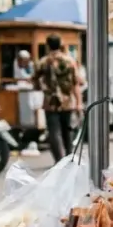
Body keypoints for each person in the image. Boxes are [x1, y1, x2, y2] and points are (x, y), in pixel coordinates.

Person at [33, 34, 81, 163]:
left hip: (50, 103)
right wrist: (79, 103)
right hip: (68, 102)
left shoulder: (43, 62)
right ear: (60, 44)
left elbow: (35, 82)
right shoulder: (70, 61)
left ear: (48, 46)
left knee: (54, 133)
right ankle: (69, 158)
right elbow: (76, 83)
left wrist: (42, 87)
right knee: (68, 131)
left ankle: (59, 160)